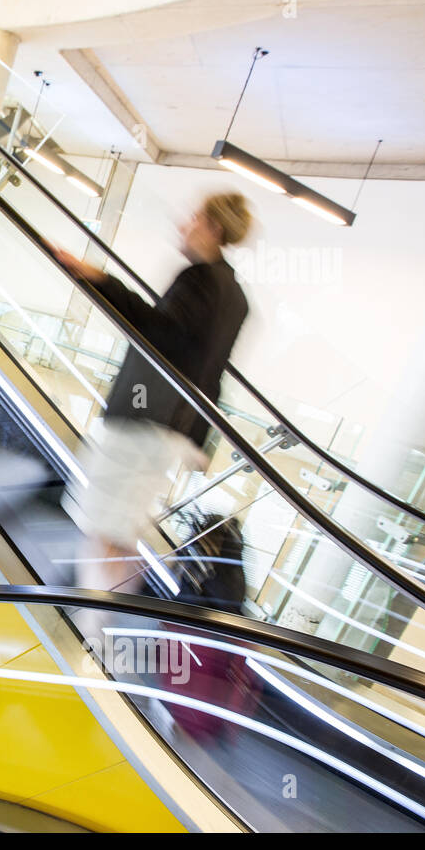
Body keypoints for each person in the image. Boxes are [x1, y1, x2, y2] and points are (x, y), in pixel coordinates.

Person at [47, 191, 253, 592]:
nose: (183, 224)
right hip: (168, 429)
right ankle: (107, 624)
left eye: (193, 217)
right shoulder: (236, 298)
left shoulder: (199, 280)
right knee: (119, 530)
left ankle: (96, 630)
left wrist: (99, 279)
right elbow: (212, 373)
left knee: (101, 525)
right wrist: (198, 439)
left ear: (212, 227)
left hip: (140, 419)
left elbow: (155, 332)